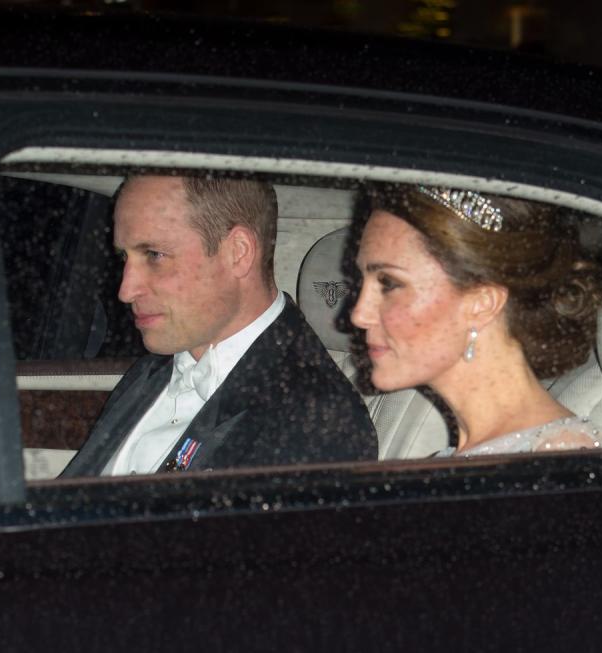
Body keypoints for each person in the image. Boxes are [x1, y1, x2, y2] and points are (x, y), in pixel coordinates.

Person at [61, 175, 377, 477]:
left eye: (155, 255)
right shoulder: (152, 371)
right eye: (124, 258)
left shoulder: (316, 422)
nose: (126, 291)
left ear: (238, 253)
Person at [351, 185, 602, 457]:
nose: (359, 315)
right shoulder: (489, 458)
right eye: (361, 282)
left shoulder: (555, 464)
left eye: (389, 284)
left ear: (482, 303)